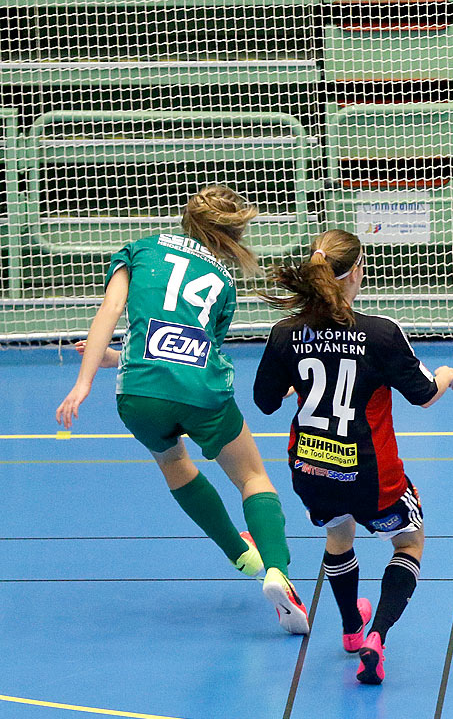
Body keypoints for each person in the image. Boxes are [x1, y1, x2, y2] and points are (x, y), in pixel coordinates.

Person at [55, 185, 308, 634]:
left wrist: (85, 381)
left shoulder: (141, 249)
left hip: (137, 394)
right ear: (231, 234)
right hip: (200, 391)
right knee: (251, 476)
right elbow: (195, 348)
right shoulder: (224, 283)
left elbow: (111, 312)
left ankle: (239, 554)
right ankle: (277, 571)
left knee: (174, 464)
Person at [252, 230, 453, 684]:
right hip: (371, 475)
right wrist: (446, 375)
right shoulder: (380, 333)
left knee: (338, 534)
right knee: (409, 542)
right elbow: (423, 395)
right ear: (355, 274)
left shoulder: (285, 332)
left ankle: (350, 629)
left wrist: (297, 383)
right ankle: (376, 637)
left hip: (311, 466)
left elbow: (264, 401)